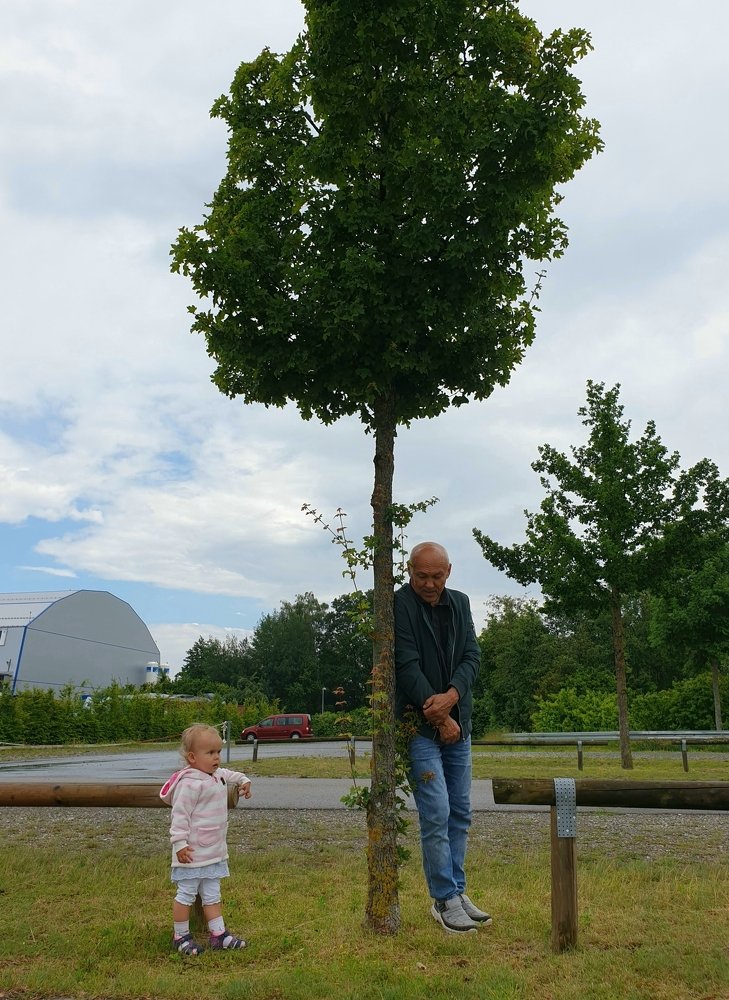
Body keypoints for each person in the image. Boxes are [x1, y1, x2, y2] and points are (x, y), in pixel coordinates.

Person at [394, 541, 491, 934]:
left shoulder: (462, 603)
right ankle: (443, 899)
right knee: (435, 812)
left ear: (449, 571)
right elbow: (405, 664)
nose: (430, 584)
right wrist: (436, 715)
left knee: (461, 811)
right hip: (418, 726)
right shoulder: (398, 605)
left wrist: (452, 698)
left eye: (437, 576)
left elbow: (472, 656)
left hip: (459, 722)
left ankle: (458, 891)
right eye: (422, 576)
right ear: (409, 570)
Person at [159, 723, 252, 955]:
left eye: (219, 752)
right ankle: (180, 935)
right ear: (192, 757)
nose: (217, 757)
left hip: (213, 851)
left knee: (212, 893)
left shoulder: (217, 775)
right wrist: (179, 844)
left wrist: (244, 781)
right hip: (191, 852)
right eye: (210, 753)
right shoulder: (189, 783)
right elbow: (179, 816)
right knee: (186, 894)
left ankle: (218, 934)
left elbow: (232, 775)